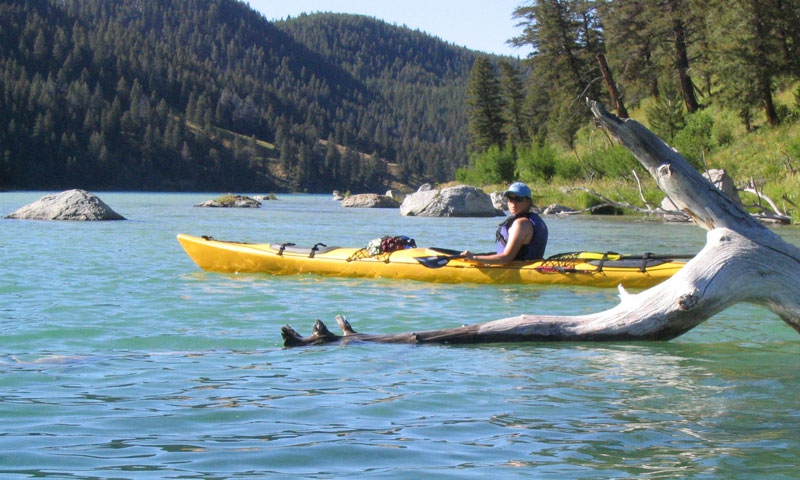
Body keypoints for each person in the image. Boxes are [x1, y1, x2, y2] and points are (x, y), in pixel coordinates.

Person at [461, 182, 548, 264]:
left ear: (528, 201)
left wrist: (473, 258)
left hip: (517, 270)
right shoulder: (534, 221)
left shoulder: (521, 224)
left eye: (518, 199)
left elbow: (506, 258)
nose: (513, 203)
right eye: (510, 198)